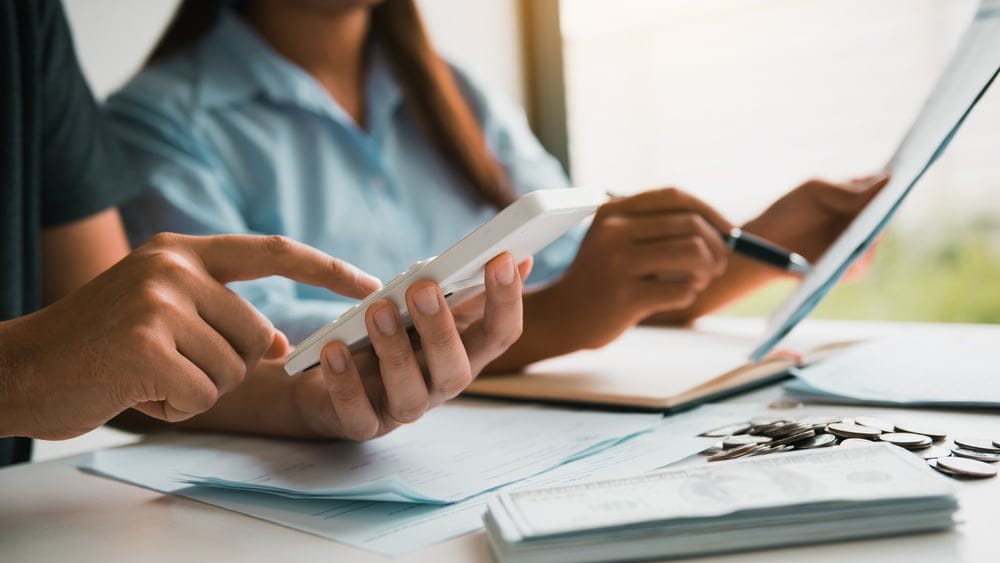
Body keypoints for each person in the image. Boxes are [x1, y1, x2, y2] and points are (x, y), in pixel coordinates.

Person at [107, 0, 887, 375]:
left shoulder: (459, 97)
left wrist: (781, 234)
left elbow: (590, 275)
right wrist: (568, 313)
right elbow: (245, 354)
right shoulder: (155, 125)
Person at [0, 0, 528, 467]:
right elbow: (86, 357)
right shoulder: (162, 117)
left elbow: (116, 354)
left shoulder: (30, 19)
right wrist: (20, 372)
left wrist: (300, 399)